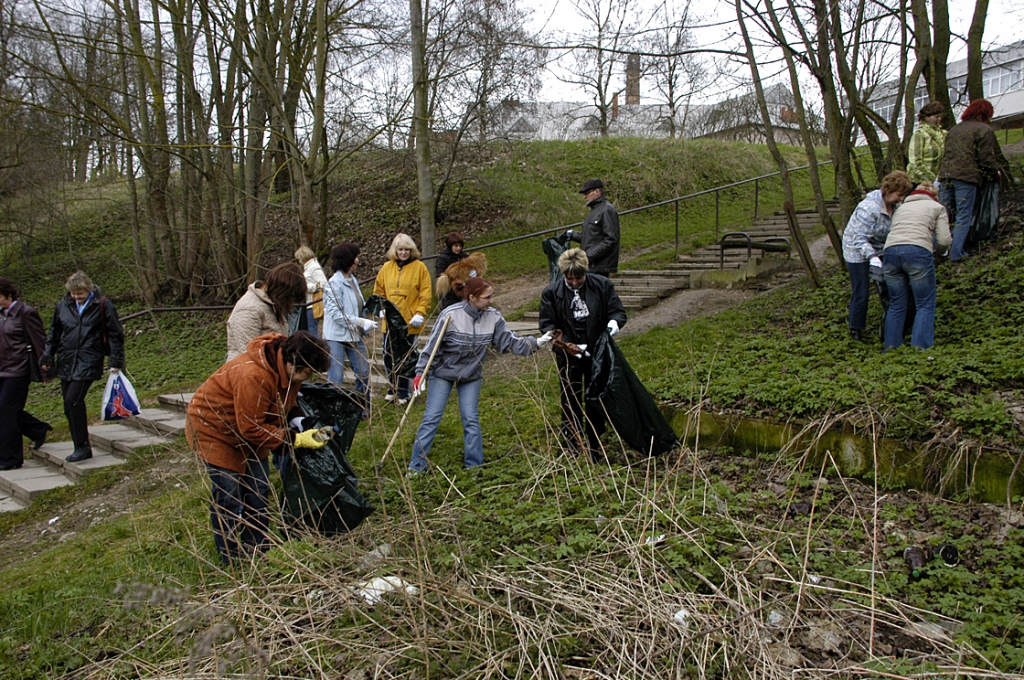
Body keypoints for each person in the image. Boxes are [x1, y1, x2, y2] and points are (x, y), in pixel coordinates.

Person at [186, 331, 331, 564]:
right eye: (307, 372)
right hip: (214, 430)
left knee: (258, 489)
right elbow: (251, 428)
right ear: (291, 363)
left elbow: (286, 400)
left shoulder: (287, 369)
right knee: (229, 493)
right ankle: (231, 557)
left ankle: (258, 549)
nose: (308, 377)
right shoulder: (252, 376)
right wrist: (295, 439)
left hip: (249, 427)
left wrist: (297, 419)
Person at [408, 278, 552, 473]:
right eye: (487, 297)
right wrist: (420, 374)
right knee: (432, 418)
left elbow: (508, 342)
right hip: (443, 373)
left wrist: (536, 343)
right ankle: (416, 467)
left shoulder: (493, 317)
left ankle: (474, 467)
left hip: (471, 375)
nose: (491, 301)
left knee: (470, 418)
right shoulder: (450, 316)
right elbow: (431, 347)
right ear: (472, 298)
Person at [539, 249, 627, 459]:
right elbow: (547, 323)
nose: (575, 282)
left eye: (579, 278)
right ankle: (572, 442)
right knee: (570, 399)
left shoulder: (602, 286)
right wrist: (563, 342)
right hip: (568, 355)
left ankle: (596, 443)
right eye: (570, 279)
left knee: (595, 397)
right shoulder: (551, 293)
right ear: (564, 275)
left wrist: (611, 327)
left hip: (596, 352)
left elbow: (617, 312)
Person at [40, 271, 125, 463]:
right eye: (73, 293)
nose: (77, 297)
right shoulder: (62, 306)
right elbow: (55, 332)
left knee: (74, 400)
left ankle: (82, 447)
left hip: (89, 358)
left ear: (89, 290)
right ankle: (79, 444)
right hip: (66, 359)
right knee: (68, 406)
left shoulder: (102, 305)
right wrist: (48, 355)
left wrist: (115, 360)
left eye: (80, 293)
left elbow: (115, 334)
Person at [841, 171, 914, 342]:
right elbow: (859, 238)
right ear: (889, 190)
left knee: (887, 286)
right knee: (862, 290)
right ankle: (856, 329)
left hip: (880, 247)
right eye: (899, 194)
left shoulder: (896, 207)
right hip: (856, 250)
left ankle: (891, 326)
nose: (901, 198)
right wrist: (872, 258)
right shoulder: (868, 208)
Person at [938, 98, 1012, 261]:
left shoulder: (955, 129)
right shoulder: (984, 130)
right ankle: (957, 253)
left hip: (946, 176)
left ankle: (939, 252)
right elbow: (985, 158)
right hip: (966, 178)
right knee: (963, 215)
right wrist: (994, 174)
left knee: (944, 215)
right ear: (986, 113)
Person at [882, 183, 951, 350]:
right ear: (934, 195)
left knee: (897, 303)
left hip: (890, 252)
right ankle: (920, 349)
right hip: (917, 251)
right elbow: (944, 240)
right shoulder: (937, 207)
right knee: (925, 303)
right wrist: (938, 251)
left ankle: (891, 349)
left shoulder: (901, 208)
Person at [372, 233, 432, 404]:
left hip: (409, 321)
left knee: (406, 357)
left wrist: (420, 313)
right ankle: (393, 387)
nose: (404, 253)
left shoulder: (420, 268)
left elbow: (425, 293)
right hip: (390, 323)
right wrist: (380, 308)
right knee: (389, 355)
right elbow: (379, 291)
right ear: (395, 250)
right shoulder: (386, 268)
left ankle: (404, 391)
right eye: (400, 249)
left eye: (407, 249)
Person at [0, 278, 52, 471]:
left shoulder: (25, 313)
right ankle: (37, 429)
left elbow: (39, 342)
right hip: (1, 368)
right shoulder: (1, 314)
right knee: (6, 410)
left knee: (6, 411)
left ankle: (10, 458)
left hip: (18, 370)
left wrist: (46, 370)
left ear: (8, 295)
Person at [323, 242, 377, 394]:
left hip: (354, 334)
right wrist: (360, 322)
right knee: (336, 377)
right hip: (336, 336)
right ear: (348, 259)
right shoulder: (333, 284)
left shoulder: (352, 280)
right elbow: (336, 315)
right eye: (356, 257)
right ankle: (335, 413)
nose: (358, 261)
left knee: (363, 372)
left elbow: (358, 304)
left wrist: (377, 310)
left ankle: (364, 409)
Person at [225, 262, 306, 361]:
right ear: (282, 291)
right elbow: (249, 355)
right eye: (289, 297)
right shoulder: (249, 309)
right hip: (247, 373)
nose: (289, 303)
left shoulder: (271, 305)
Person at [567, 179, 620, 276]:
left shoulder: (607, 210)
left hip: (599, 267)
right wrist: (572, 234)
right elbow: (591, 237)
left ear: (597, 192)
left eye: (587, 193)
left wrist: (588, 256)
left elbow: (611, 239)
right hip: (591, 266)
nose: (584, 196)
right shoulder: (595, 211)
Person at [906, 101, 947, 186]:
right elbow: (915, 162)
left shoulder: (943, 134)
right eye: (936, 117)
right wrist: (932, 179)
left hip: (937, 182)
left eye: (940, 116)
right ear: (926, 117)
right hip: (918, 182)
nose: (939, 119)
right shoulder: (920, 135)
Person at [295, 246, 328, 338]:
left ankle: (318, 349)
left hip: (314, 303)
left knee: (312, 330)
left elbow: (324, 284)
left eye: (299, 259)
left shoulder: (314, 267)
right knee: (311, 329)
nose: (299, 261)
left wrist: (307, 287)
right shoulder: (310, 267)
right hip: (311, 302)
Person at [435, 231, 469, 310]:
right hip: (448, 296)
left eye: (460, 246)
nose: (458, 248)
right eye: (456, 246)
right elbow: (439, 276)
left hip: (464, 294)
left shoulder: (464, 257)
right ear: (450, 246)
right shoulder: (443, 258)